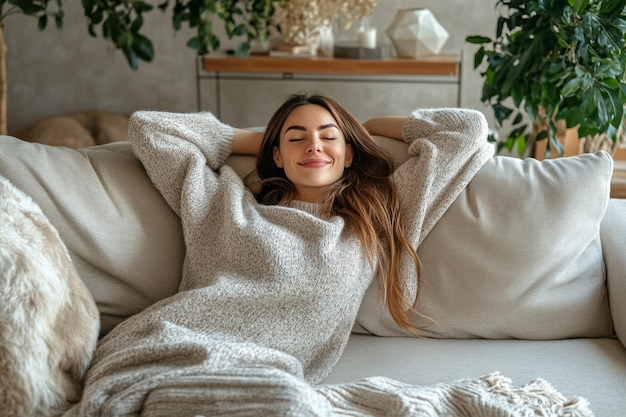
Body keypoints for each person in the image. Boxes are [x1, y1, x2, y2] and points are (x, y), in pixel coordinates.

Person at [66, 93, 493, 416]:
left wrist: (365, 128)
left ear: (348, 154)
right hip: (165, 344)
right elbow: (150, 128)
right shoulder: (221, 201)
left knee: (289, 403)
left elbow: (465, 130)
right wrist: (255, 138)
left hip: (267, 378)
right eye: (296, 138)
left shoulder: (371, 221)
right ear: (274, 155)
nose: (314, 145)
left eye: (329, 137)